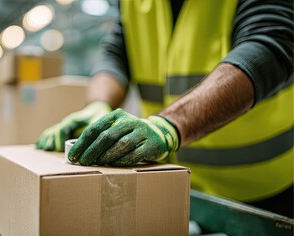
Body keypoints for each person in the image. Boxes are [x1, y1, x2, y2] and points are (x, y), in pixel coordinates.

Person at [36, 0, 293, 218]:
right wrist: (98, 104)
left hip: (266, 193)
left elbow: (270, 43)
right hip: (180, 187)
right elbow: (118, 50)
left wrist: (170, 124)